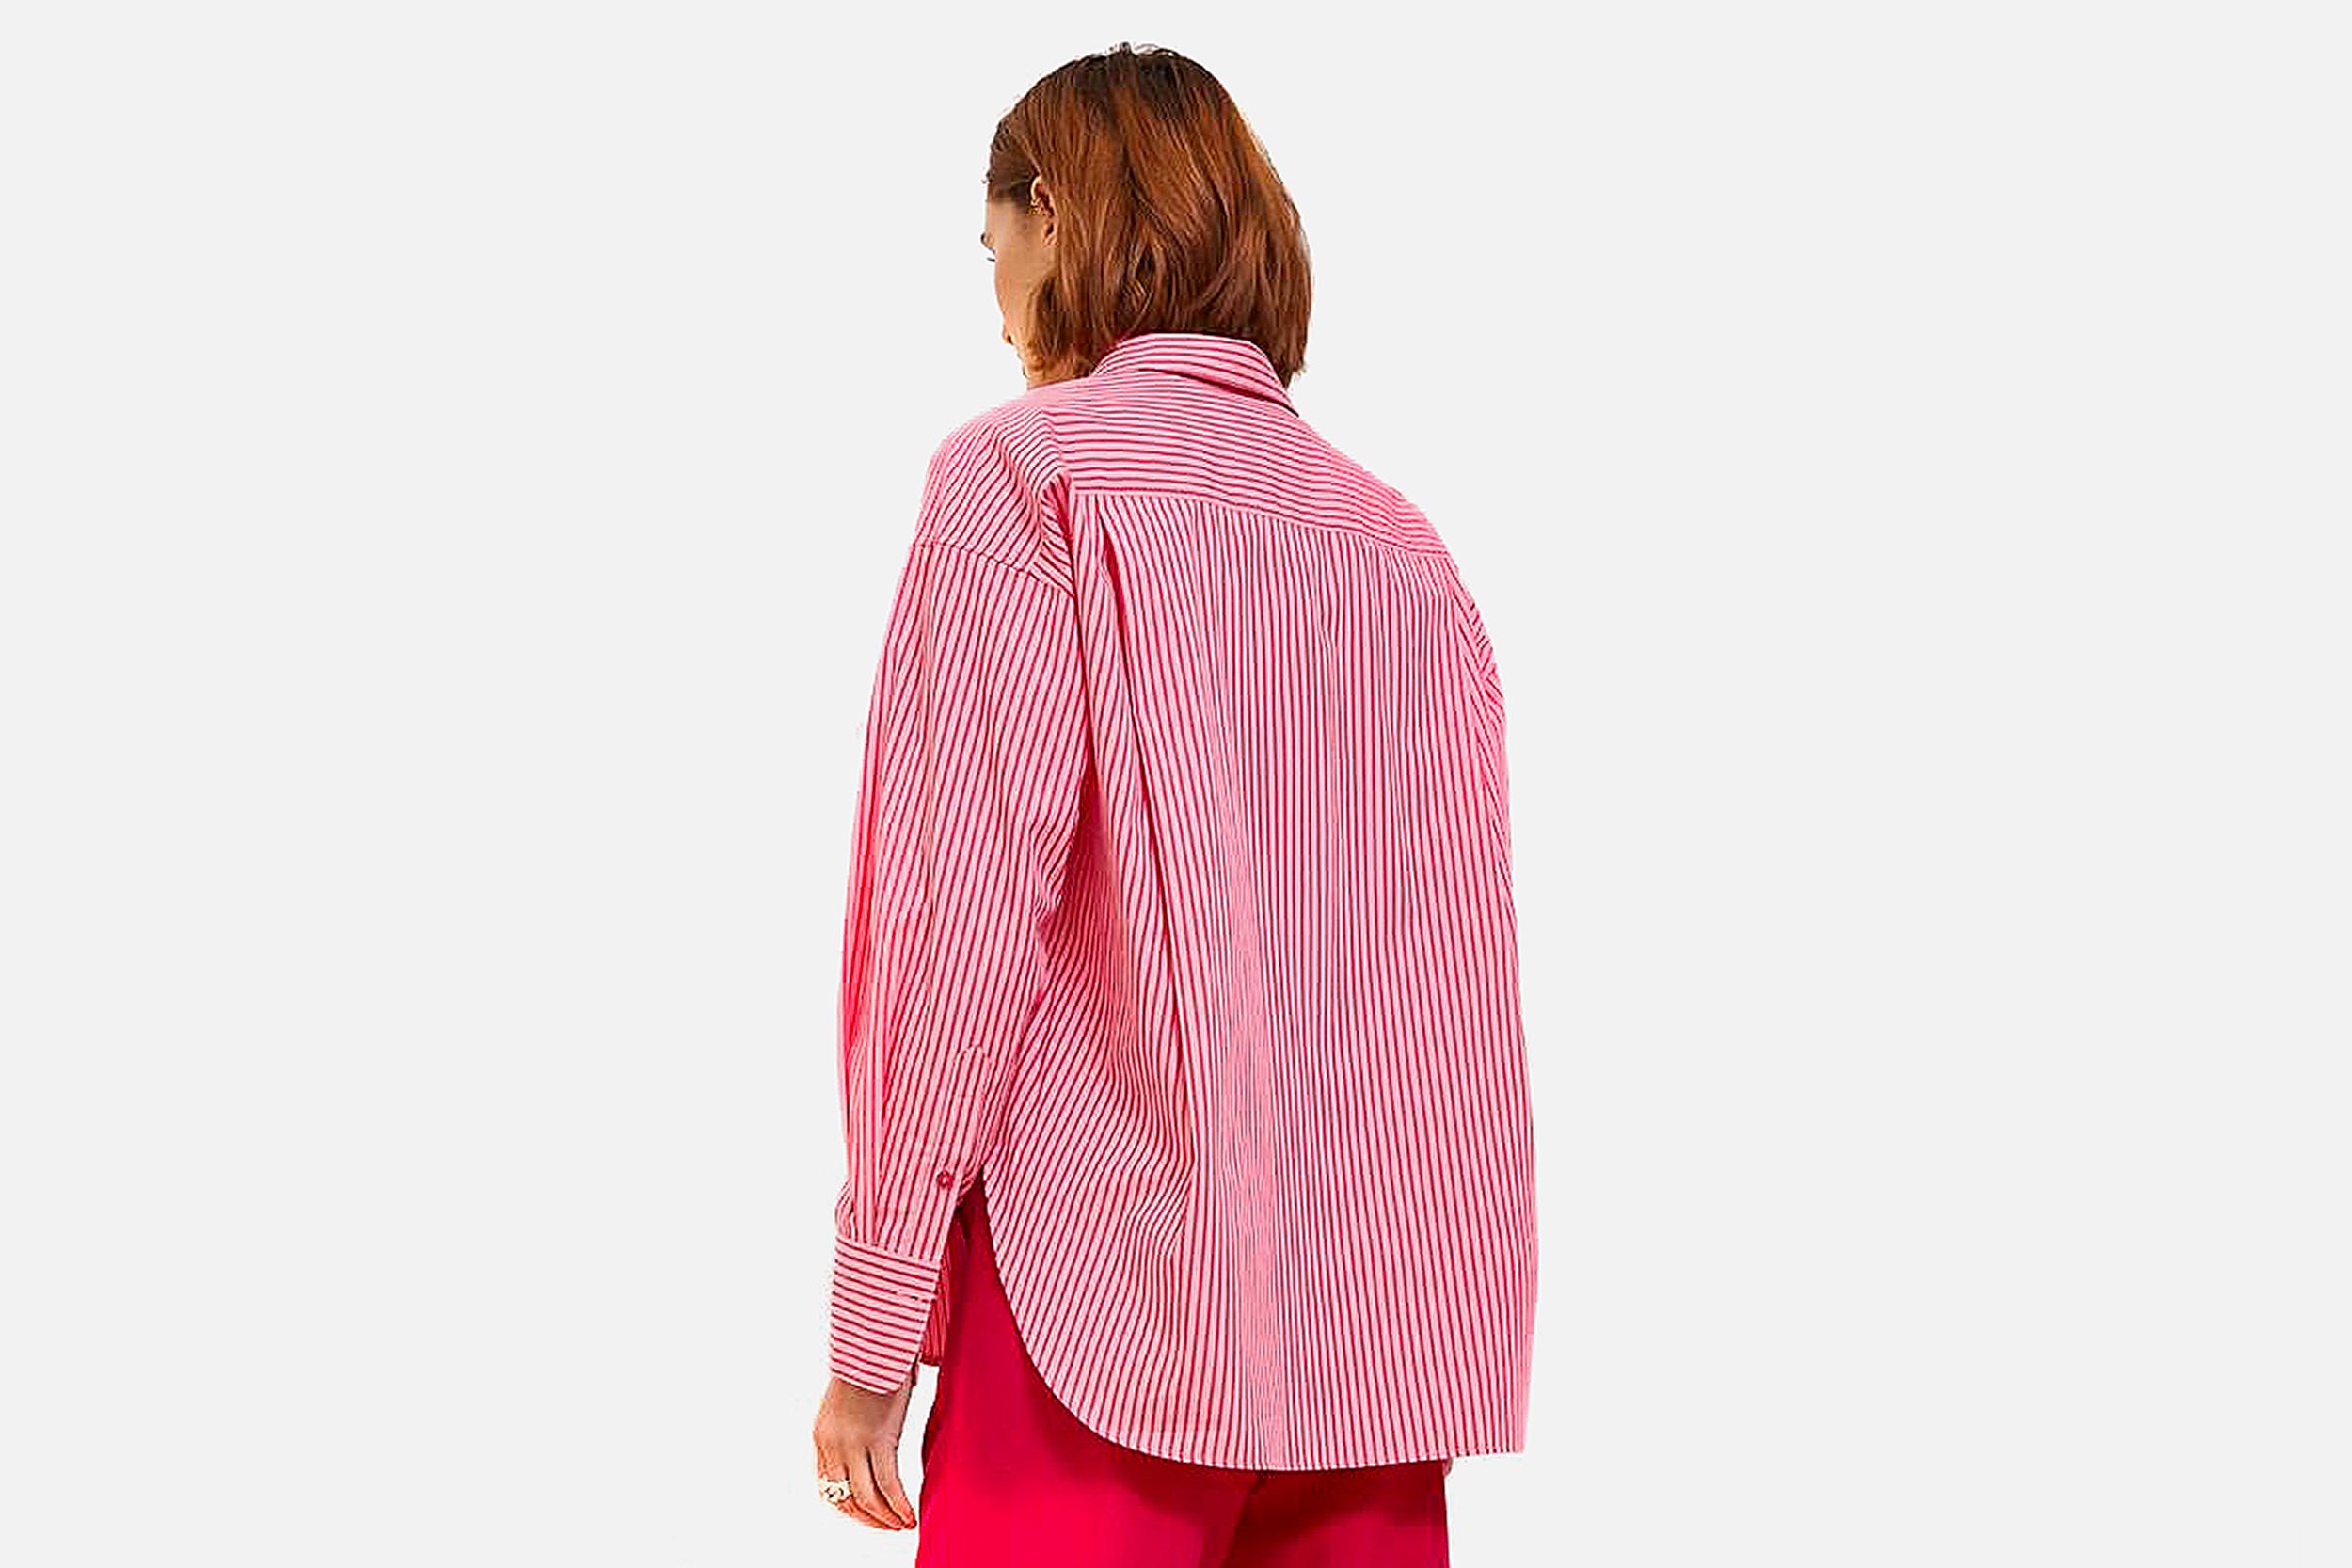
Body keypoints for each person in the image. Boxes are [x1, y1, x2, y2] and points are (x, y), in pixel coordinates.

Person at [809, 42, 1534, 1566]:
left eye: (992, 250)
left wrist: (876, 1327)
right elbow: (1454, 976)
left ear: (1052, 211)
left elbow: (957, 926)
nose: (996, 304)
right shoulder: (1401, 546)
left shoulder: (1024, 476)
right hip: (1374, 1349)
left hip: (1104, 1316)